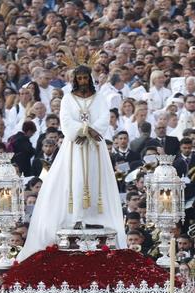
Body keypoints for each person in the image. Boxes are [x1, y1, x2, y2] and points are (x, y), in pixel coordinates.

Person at [18, 65, 128, 259]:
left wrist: (92, 131)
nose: (84, 81)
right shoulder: (68, 98)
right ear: (75, 80)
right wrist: (84, 130)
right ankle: (77, 216)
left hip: (95, 147)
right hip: (75, 146)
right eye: (80, 78)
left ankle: (94, 215)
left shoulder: (99, 98)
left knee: (95, 179)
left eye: (86, 78)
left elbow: (104, 118)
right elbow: (66, 120)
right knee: (75, 179)